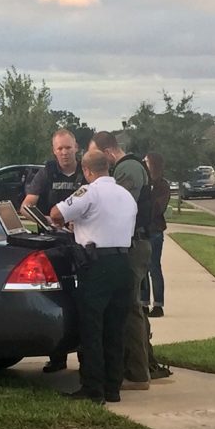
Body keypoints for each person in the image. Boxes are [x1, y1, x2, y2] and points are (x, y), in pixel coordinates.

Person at [50, 150, 136, 404]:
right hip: (123, 264)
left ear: (87, 171)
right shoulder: (125, 195)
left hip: (97, 266)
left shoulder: (89, 191)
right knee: (115, 329)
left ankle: (92, 387)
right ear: (108, 167)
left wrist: (73, 223)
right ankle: (113, 388)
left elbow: (56, 214)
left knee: (92, 328)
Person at [89, 131, 152, 390]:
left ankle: (137, 372)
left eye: (96, 156)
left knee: (130, 307)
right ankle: (138, 366)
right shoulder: (131, 167)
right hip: (133, 242)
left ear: (107, 153)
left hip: (134, 245)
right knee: (129, 306)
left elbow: (118, 206)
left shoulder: (127, 170)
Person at [20, 128, 85, 373]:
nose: (64, 153)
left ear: (76, 147)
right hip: (52, 244)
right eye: (59, 148)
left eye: (68, 147)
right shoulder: (46, 172)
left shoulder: (85, 172)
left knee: (82, 301)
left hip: (80, 243)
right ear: (53, 151)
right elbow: (26, 207)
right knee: (55, 300)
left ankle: (84, 358)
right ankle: (57, 357)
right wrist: (48, 219)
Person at [142, 152, 171, 318]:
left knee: (154, 267)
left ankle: (158, 304)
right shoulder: (144, 184)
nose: (144, 163)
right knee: (143, 269)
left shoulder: (162, 186)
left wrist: (146, 207)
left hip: (155, 231)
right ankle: (144, 303)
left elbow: (158, 207)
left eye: (146, 161)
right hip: (142, 231)